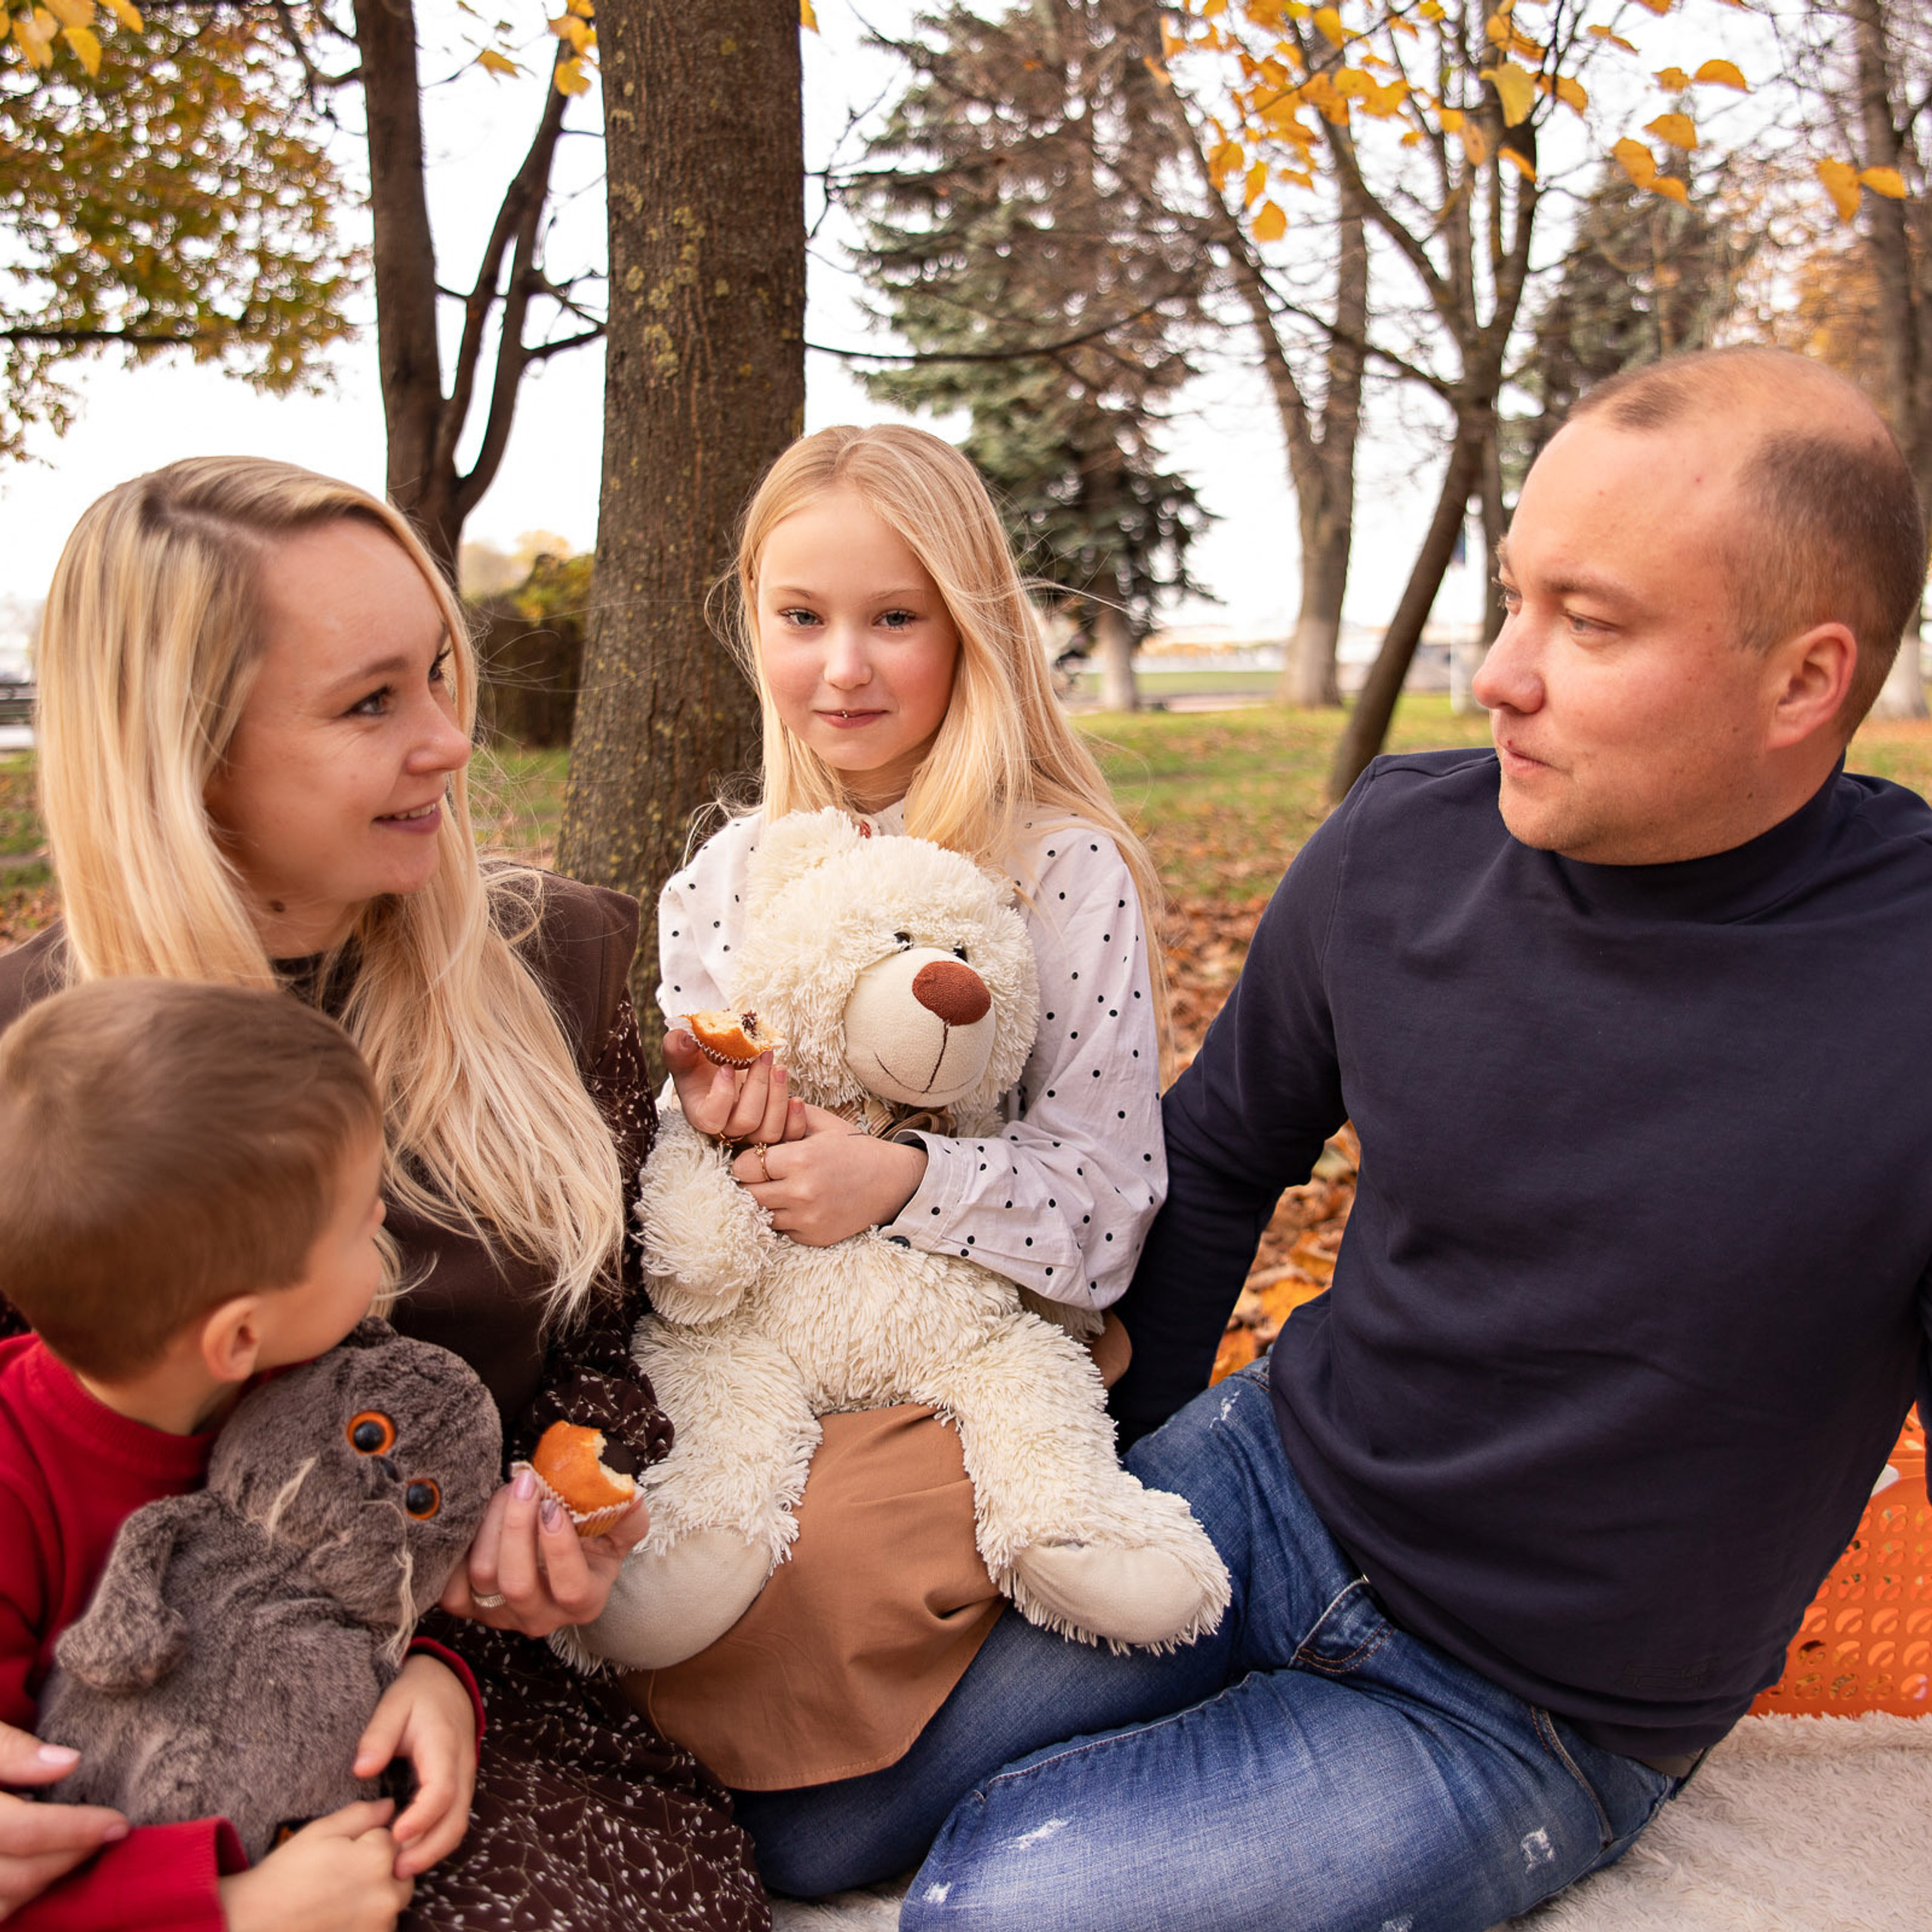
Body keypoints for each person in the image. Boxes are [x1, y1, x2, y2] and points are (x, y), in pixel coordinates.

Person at [739, 345, 1932, 1930]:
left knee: (999, 1905)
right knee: (806, 1822)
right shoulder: (1399, 845)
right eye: (1509, 597)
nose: (1493, 673)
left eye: (1584, 624)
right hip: (1271, 1480)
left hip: (1526, 1699)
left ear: (1803, 679)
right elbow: (1221, 1156)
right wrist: (1112, 1481)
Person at [0, 458, 767, 1932]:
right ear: (185, 754)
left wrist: (555, 1495)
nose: (452, 739)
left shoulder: (558, 964)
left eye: (439, 673)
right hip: (107, 1706)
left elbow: (635, 1332)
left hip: (475, 1679)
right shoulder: (35, 1071)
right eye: (371, 704)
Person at [591, 423, 1169, 1798]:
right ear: (756, 622)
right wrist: (733, 1138)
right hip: (761, 1343)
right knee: (658, 1538)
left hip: (974, 1342)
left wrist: (904, 1179)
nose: (841, 667)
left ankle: (822, 1792)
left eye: (893, 619)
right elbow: (692, 1185)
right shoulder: (722, 883)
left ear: (970, 628)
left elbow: (1109, 1204)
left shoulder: (1061, 870)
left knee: (818, 1564)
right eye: (803, 618)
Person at [0, 977, 447, 1932]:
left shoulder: (316, 1378)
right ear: (237, 1335)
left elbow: (395, 1555)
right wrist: (233, 1910)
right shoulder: (12, 1487)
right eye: (360, 1214)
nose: (383, 1219)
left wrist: (439, 1672)